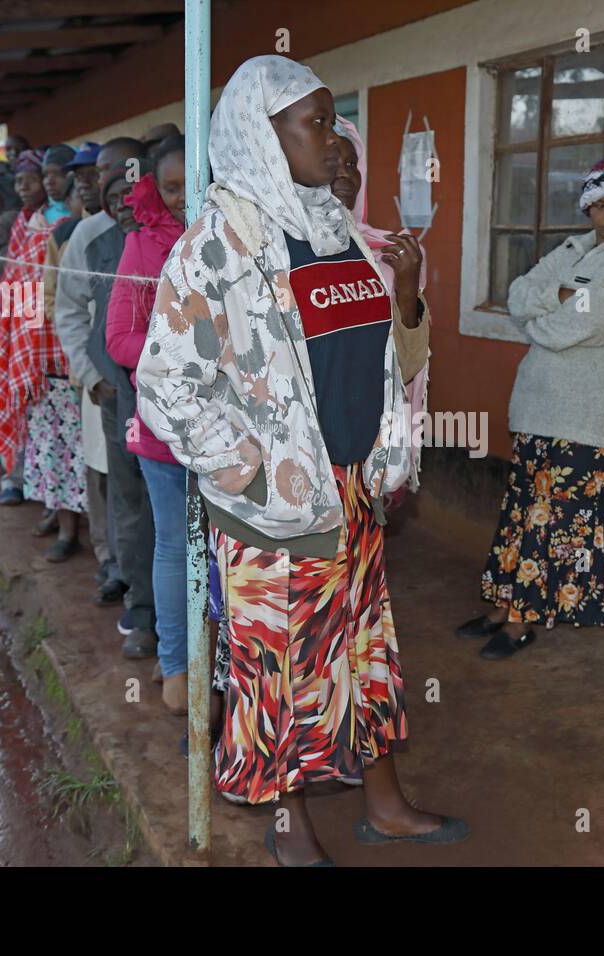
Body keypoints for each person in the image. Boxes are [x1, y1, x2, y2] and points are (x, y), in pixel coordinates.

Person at [136, 55, 466, 866]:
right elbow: (165, 383)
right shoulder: (219, 244)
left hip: (351, 487)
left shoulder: (336, 231)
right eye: (314, 122)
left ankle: (383, 804)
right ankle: (290, 829)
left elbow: (384, 352)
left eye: (328, 118)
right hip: (273, 510)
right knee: (280, 670)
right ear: (263, 130)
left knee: (364, 648)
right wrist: (247, 465)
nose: (332, 135)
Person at [457, 157, 604, 660]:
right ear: (587, 208)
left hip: (591, 418)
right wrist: (562, 296)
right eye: (600, 205)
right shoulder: (572, 250)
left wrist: (547, 318)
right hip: (536, 409)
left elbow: (579, 324)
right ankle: (504, 607)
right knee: (522, 514)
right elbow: (518, 292)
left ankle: (523, 622)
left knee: (557, 522)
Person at [105, 136, 188, 714]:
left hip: (238, 432)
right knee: (174, 545)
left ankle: (233, 670)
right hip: (164, 426)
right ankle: (178, 668)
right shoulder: (141, 245)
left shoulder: (244, 237)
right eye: (173, 187)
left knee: (233, 553)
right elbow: (118, 338)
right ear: (155, 189)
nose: (186, 198)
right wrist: (177, 350)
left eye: (195, 182)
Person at [0, 149, 84, 561]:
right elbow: (16, 279)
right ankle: (56, 513)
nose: (47, 182)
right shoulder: (27, 225)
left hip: (65, 353)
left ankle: (73, 526)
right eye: (44, 175)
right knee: (47, 442)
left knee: (72, 445)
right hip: (33, 352)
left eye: (54, 175)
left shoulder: (66, 224)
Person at [85, 141, 160, 660]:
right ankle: (143, 609)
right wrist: (98, 376)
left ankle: (191, 620)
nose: (121, 199)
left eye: (130, 188)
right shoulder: (97, 247)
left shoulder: (178, 240)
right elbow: (97, 325)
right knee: (131, 507)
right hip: (122, 401)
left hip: (181, 404)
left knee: (177, 514)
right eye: (111, 190)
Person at [332, 117, 431, 505]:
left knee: (361, 559)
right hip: (305, 448)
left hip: (372, 443)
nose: (345, 175)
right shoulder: (276, 250)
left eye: (352, 164)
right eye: (332, 163)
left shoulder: (387, 254)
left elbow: (407, 365)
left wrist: (407, 289)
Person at [51, 141, 128, 608]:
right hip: (101, 380)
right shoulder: (86, 235)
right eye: (95, 174)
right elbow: (70, 311)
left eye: (110, 172)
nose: (100, 183)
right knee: (103, 477)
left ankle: (139, 573)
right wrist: (89, 374)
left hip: (149, 387)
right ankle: (111, 562)